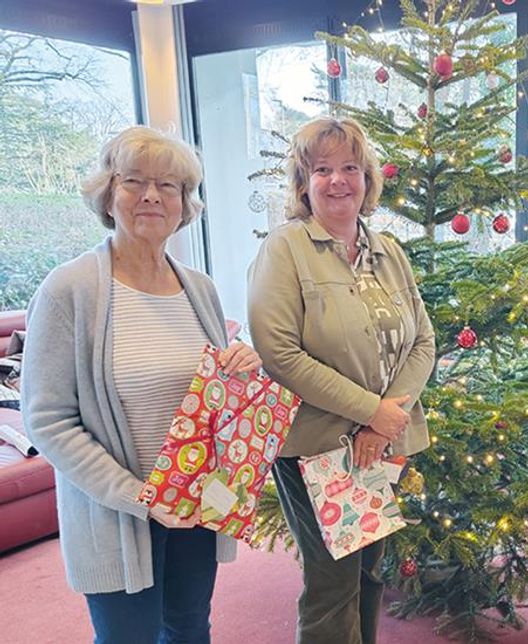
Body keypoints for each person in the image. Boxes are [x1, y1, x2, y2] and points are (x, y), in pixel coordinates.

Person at [21, 126, 262, 643]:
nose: (152, 195)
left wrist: (237, 367)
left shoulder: (199, 288)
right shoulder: (70, 289)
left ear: (184, 203)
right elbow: (47, 420)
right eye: (134, 181)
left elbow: (208, 392)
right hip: (118, 513)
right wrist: (140, 496)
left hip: (197, 502)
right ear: (109, 194)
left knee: (190, 629)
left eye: (168, 186)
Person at [247, 116, 436, 644]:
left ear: (367, 178)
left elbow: (423, 340)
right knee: (333, 582)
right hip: (317, 447)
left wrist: (385, 420)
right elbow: (278, 352)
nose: (338, 181)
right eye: (322, 169)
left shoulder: (388, 251)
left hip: (378, 445)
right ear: (303, 184)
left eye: (349, 167)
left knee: (370, 570)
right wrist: (369, 411)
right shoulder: (285, 249)